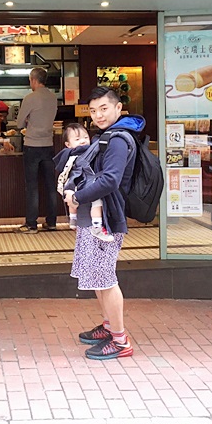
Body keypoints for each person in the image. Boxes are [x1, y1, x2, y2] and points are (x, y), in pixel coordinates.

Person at [63, 86, 146, 360]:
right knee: (97, 276)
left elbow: (110, 180)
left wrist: (77, 195)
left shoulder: (119, 140)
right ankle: (109, 327)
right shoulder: (106, 136)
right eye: (94, 110)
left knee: (106, 279)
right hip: (95, 214)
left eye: (104, 109)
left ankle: (120, 341)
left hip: (107, 218)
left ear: (118, 108)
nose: (98, 115)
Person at [14, 67, 58, 234]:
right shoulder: (53, 98)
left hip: (32, 145)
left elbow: (18, 124)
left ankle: (31, 224)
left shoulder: (30, 98)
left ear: (33, 80)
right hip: (48, 144)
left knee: (32, 186)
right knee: (50, 185)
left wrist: (27, 121)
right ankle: (52, 222)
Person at [53, 123, 114, 241]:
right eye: (77, 139)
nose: (82, 141)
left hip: (72, 185)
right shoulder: (86, 153)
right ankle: (97, 227)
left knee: (71, 201)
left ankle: (72, 220)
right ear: (68, 144)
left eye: (86, 138)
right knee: (97, 201)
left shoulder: (65, 155)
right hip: (84, 184)